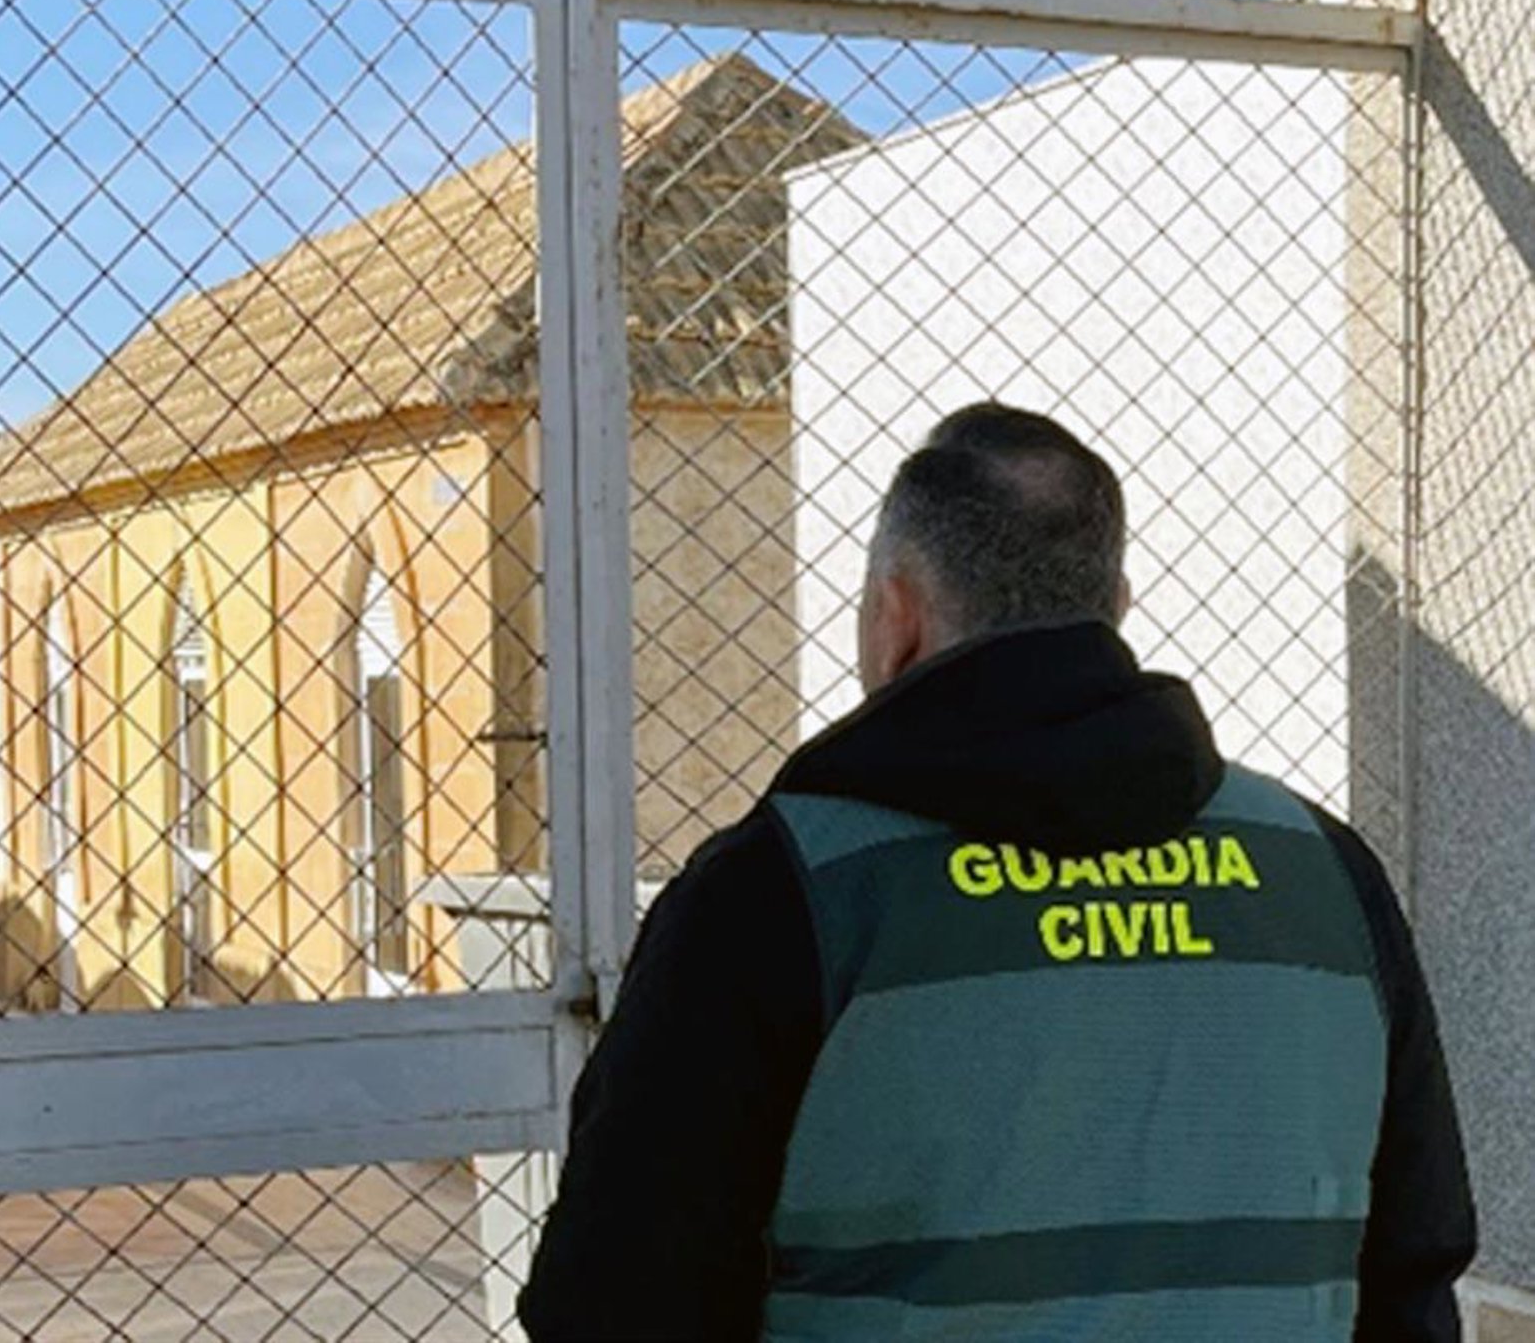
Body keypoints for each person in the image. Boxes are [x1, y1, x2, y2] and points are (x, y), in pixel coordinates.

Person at [518, 401, 1475, 1341]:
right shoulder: (1325, 876)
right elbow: (1413, 1271)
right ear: (1115, 610)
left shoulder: (782, 893)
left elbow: (615, 1300)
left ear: (895, 616)